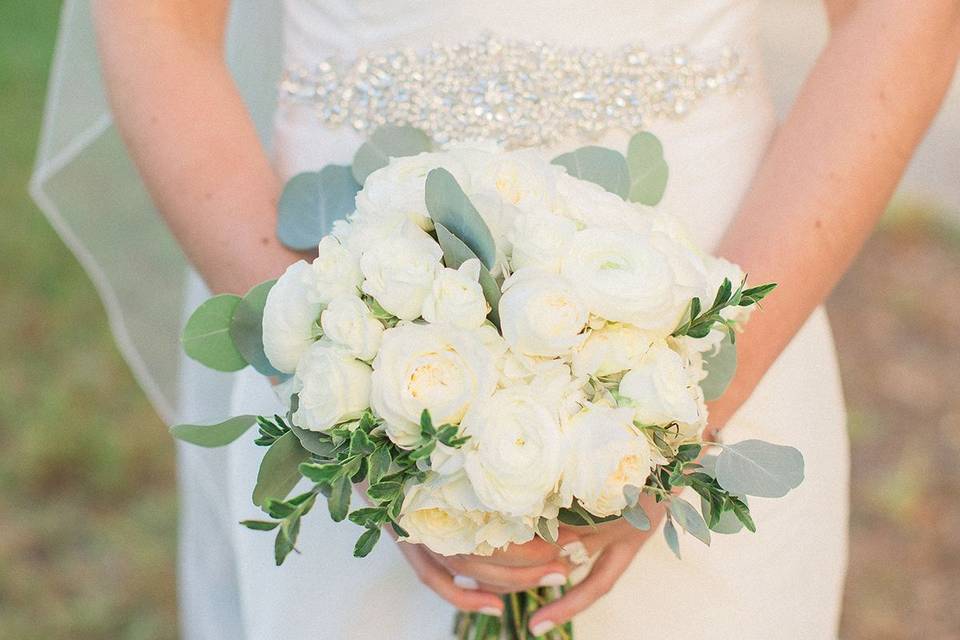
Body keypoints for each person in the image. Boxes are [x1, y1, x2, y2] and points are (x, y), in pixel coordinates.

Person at [38, 1, 960, 638]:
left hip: (721, 280)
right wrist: (347, 396)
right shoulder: (344, 365)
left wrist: (677, 413)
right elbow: (156, 25)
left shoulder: (707, 363)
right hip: (343, 280)